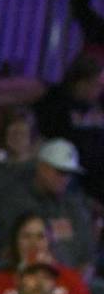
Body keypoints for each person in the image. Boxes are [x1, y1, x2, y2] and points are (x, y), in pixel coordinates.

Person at [0, 138, 96, 275]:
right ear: (42, 167)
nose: (65, 179)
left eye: (69, 173)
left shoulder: (74, 205)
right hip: (31, 281)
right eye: (60, 172)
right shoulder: (16, 201)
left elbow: (88, 259)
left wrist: (75, 286)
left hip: (75, 284)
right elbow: (7, 253)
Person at [34, 53, 104, 202]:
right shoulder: (56, 102)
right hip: (70, 172)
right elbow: (46, 139)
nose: (100, 90)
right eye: (96, 85)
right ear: (81, 83)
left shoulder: (99, 105)